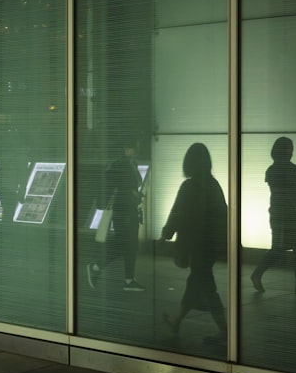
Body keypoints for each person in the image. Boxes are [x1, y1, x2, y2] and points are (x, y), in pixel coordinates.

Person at [161, 143, 227, 341]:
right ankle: (177, 321)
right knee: (196, 282)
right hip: (211, 245)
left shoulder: (188, 186)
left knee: (207, 287)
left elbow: (176, 213)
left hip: (196, 245)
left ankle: (225, 331)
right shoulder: (213, 185)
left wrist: (166, 234)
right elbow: (223, 215)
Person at [250, 136, 296, 296]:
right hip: (286, 214)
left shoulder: (273, 170)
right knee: (291, 247)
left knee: (284, 248)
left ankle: (259, 274)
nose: (291, 153)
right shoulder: (287, 168)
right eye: (289, 150)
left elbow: (281, 189)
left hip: (281, 213)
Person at [87, 137, 146, 291]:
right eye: (134, 147)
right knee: (126, 244)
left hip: (126, 210)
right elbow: (123, 188)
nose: (136, 150)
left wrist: (134, 194)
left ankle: (127, 278)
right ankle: (98, 267)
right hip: (124, 211)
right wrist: (133, 194)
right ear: (126, 149)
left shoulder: (128, 164)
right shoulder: (122, 165)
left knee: (127, 244)